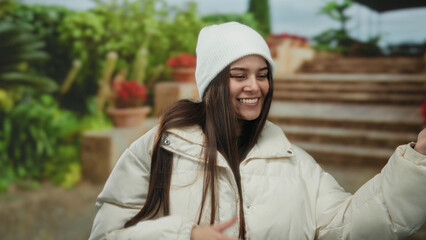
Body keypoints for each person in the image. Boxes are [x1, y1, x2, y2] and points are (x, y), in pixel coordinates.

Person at [88, 22, 426, 240]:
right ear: (214, 84)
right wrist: (184, 235)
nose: (255, 86)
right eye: (239, 74)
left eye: (262, 74)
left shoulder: (293, 160)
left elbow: (349, 225)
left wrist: (418, 162)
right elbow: (106, 236)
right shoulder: (159, 149)